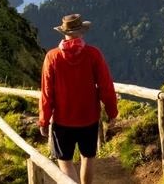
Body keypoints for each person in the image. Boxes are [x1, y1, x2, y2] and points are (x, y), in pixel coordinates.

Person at [40, 14, 118, 184]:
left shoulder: (52, 57)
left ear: (64, 32)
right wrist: (112, 112)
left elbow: (47, 93)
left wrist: (44, 120)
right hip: (89, 117)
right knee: (88, 157)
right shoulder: (93, 54)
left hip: (62, 119)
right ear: (81, 32)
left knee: (64, 161)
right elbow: (106, 86)